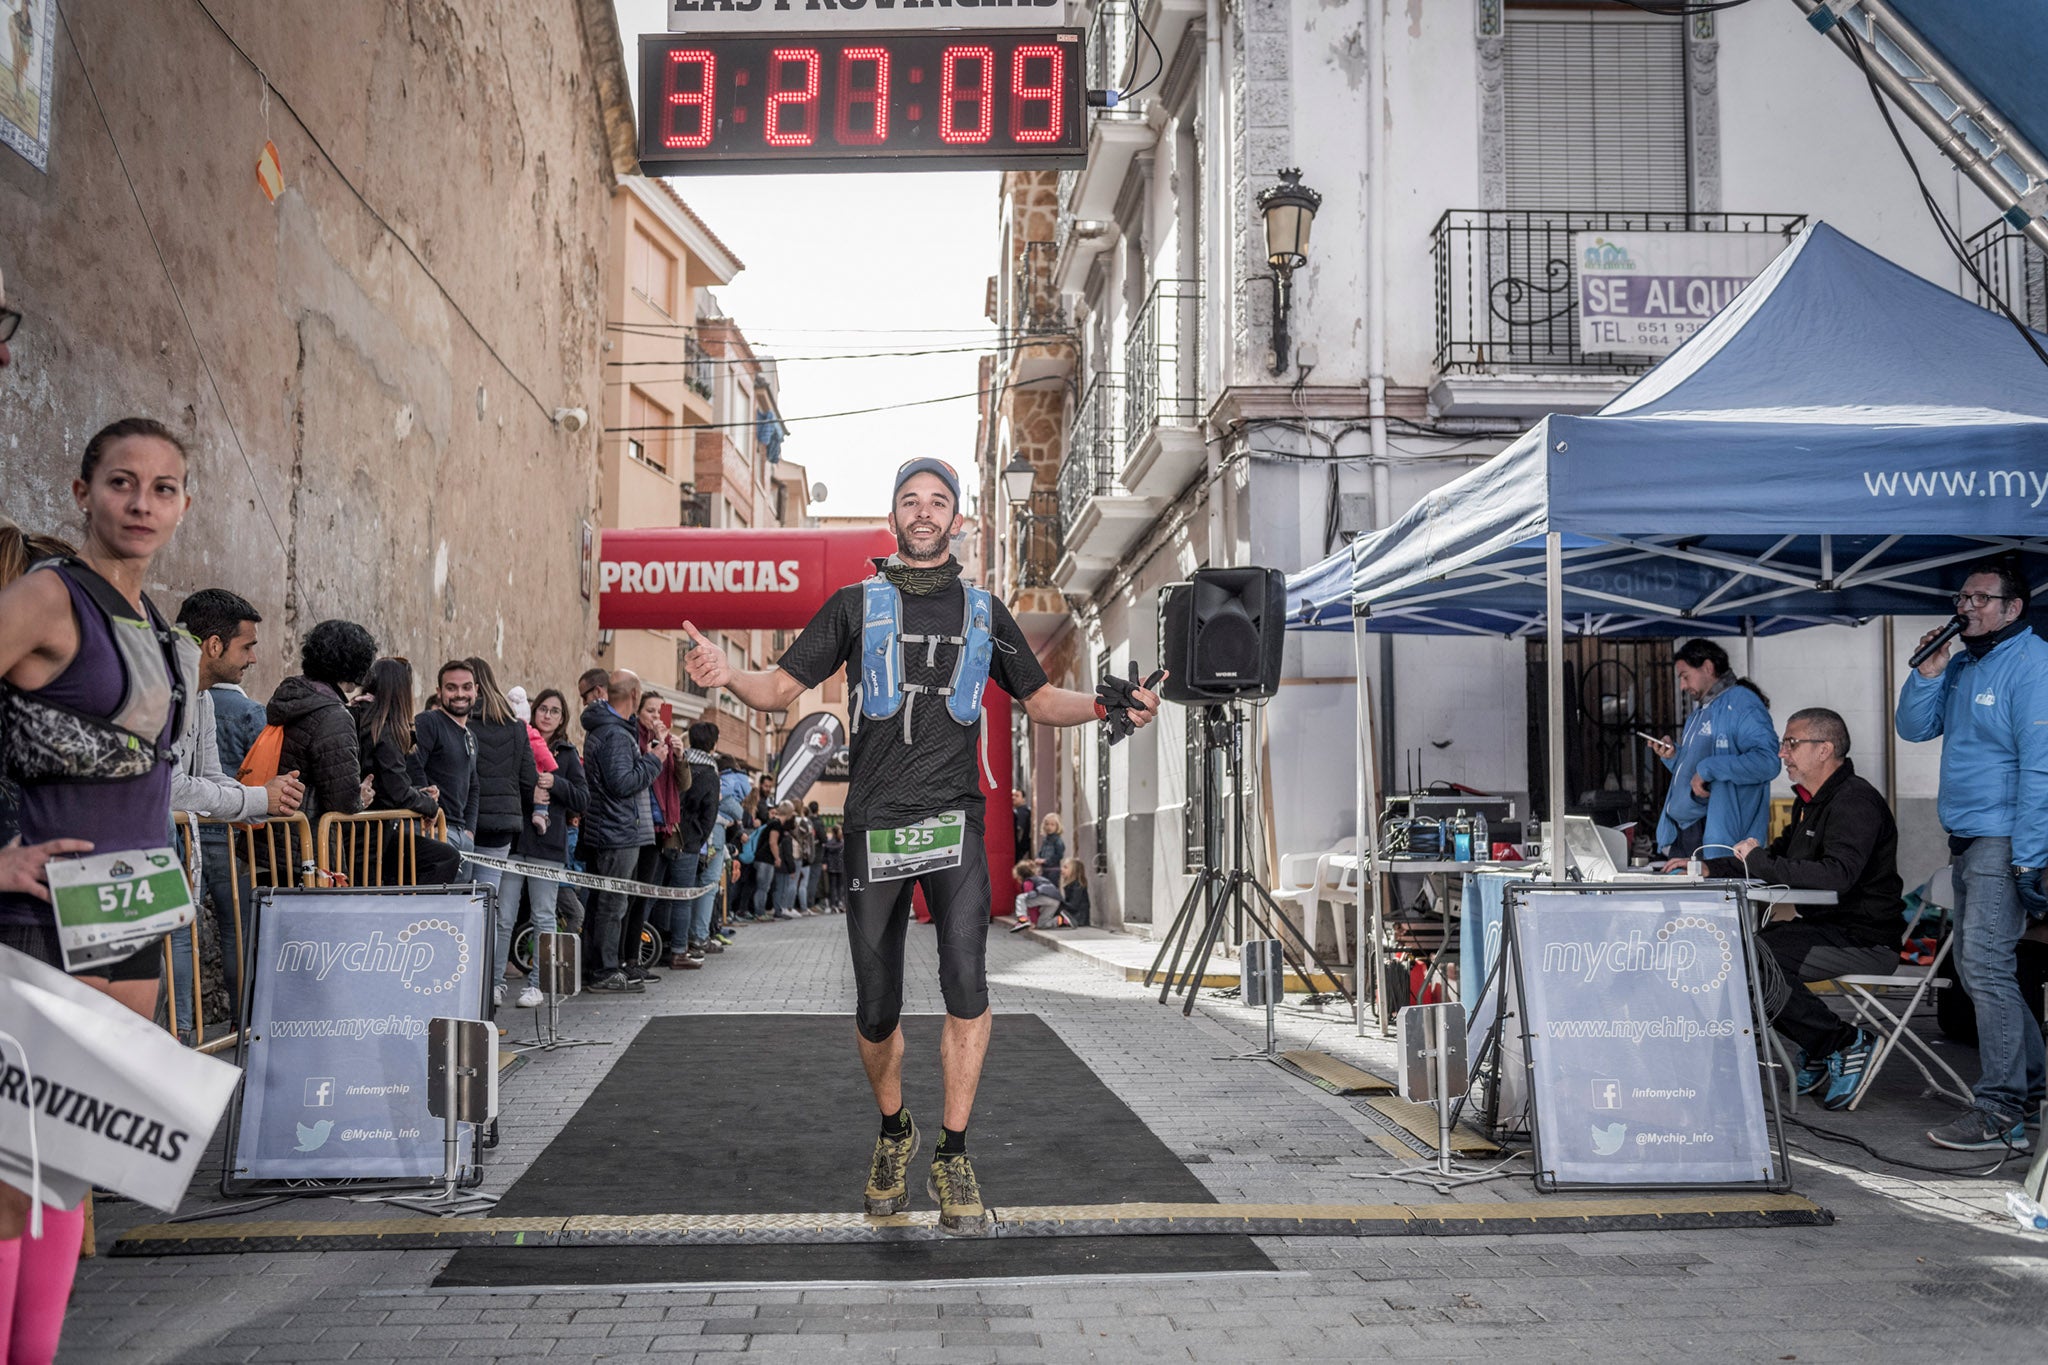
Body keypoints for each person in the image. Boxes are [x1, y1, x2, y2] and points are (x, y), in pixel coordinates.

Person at [681, 455, 1162, 1236]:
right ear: (894, 516)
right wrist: (725, 674)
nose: (926, 512)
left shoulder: (984, 610)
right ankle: (895, 1128)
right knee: (877, 1010)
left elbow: (1038, 697)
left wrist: (1109, 699)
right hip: (874, 822)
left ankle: (954, 1149)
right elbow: (779, 686)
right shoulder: (852, 605)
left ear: (958, 519)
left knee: (968, 985)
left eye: (939, 501)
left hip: (955, 824)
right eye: (912, 500)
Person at [0, 416, 203, 1356]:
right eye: (122, 482)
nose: (141, 503)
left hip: (130, 911)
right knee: (12, 1182)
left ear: (182, 506)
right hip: (40, 914)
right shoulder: (48, 596)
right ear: (82, 492)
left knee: (70, 1172)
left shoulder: (156, 622)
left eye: (163, 488)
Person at [1897, 560, 2048, 1152]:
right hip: (1965, 836)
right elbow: (1913, 729)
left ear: (2013, 608)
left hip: (2005, 837)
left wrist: (2030, 857)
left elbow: (2040, 768)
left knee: (1983, 966)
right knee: (1984, 967)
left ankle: (2001, 1106)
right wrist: (1928, 672)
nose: (1967, 608)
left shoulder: (2033, 665)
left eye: (1982, 599)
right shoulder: (1959, 663)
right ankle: (2030, 1093)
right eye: (1963, 597)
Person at [1700, 709, 1902, 1110]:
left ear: (1824, 749)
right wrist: (1710, 867)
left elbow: (1836, 875)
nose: (1782, 753)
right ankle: (1819, 1043)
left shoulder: (1855, 801)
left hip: (1864, 938)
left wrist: (1758, 862)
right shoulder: (1811, 802)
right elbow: (1778, 857)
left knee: (1754, 959)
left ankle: (1842, 1042)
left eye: (1791, 743)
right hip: (1823, 929)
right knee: (1739, 955)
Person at [168, 588, 304, 1037]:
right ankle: (178, 1041)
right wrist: (259, 799)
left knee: (184, 937)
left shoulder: (203, 696)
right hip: (140, 844)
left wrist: (266, 797)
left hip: (179, 844)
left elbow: (212, 776)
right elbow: (172, 787)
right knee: (171, 947)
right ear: (213, 645)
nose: (251, 660)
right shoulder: (167, 688)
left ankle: (183, 1039)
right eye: (246, 647)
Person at [1644, 639, 1779, 860]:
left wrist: (1708, 768)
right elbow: (1697, 771)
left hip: (1714, 835)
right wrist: (1674, 756)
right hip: (1686, 832)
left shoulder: (1742, 703)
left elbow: (1767, 762)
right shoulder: (1700, 712)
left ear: (1708, 667)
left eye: (1685, 676)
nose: (1683, 686)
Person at [499, 688, 587, 1005]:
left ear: (562, 719)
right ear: (533, 711)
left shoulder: (566, 753)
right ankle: (494, 984)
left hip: (548, 847)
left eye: (555, 711)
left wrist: (556, 783)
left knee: (543, 916)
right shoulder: (517, 740)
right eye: (543, 709)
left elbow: (582, 798)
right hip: (514, 840)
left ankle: (537, 984)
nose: (547, 715)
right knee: (503, 916)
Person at [579, 669, 662, 992]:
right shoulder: (614, 734)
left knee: (609, 903)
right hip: (615, 831)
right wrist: (654, 760)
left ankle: (599, 967)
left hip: (614, 828)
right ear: (634, 695)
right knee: (612, 905)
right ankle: (603, 970)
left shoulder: (613, 728)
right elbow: (622, 783)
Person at [462, 657, 539, 1005]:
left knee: (462, 904)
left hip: (468, 825)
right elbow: (529, 780)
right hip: (502, 826)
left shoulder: (463, 725)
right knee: (489, 907)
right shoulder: (515, 726)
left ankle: (464, 982)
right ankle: (490, 986)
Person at [353, 658, 464, 886]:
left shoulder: (358, 714)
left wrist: (419, 795)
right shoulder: (381, 727)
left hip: (364, 829)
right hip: (368, 834)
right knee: (443, 858)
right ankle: (418, 919)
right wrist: (428, 804)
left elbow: (386, 781)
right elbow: (396, 789)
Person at [267, 619, 376, 829]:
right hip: (303, 845)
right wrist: (361, 798)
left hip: (268, 837)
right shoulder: (333, 715)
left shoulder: (293, 696)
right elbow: (342, 800)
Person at [669, 721, 722, 966]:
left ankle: (655, 944)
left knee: (657, 894)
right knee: (682, 896)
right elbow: (709, 813)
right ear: (713, 744)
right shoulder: (710, 771)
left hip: (664, 833)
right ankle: (679, 949)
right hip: (688, 840)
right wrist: (699, 839)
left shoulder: (677, 760)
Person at [414, 661, 480, 856]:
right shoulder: (428, 722)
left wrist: (470, 832)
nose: (460, 694)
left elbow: (473, 785)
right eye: (451, 688)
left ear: (476, 690)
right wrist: (429, 813)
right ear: (439, 692)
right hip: (432, 830)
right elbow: (413, 766)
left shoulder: (471, 736)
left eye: (466, 687)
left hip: (461, 835)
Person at [1008, 859, 1060, 932]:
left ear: (1019, 876)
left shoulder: (1028, 883)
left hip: (1046, 898)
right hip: (1056, 900)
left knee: (1020, 898)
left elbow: (1033, 907)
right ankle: (1061, 920)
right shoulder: (1041, 879)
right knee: (1041, 923)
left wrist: (1033, 922)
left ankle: (1023, 920)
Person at [1057, 858, 1091, 928]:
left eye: (1065, 867)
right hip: (1074, 916)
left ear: (1074, 871)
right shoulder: (1071, 884)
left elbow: (1074, 905)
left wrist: (1060, 903)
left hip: (1079, 919)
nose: (1061, 869)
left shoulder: (1078, 885)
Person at [821, 819, 846, 913]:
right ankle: (835, 903)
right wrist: (824, 863)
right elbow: (826, 853)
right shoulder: (835, 843)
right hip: (834, 866)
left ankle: (838, 902)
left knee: (839, 886)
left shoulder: (833, 843)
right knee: (834, 886)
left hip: (837, 866)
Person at [1011, 787, 1032, 863]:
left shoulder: (1022, 812)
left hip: (1018, 848)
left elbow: (1020, 830)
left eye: (1017, 796)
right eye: (1012, 795)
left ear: (1023, 799)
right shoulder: (1018, 811)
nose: (1013, 797)